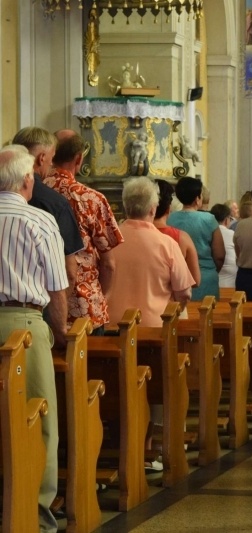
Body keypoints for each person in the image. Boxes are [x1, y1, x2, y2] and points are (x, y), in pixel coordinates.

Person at [0, 145, 69, 533]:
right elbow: (58, 288)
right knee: (39, 417)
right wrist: (60, 333)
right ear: (28, 180)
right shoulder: (39, 220)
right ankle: (37, 515)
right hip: (24, 323)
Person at [45, 130, 123, 332]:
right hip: (84, 306)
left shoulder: (34, 192)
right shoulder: (90, 198)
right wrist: (102, 299)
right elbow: (109, 264)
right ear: (79, 158)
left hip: (43, 305)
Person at [107, 177, 194, 327]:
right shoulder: (167, 244)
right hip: (155, 328)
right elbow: (184, 293)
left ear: (125, 206)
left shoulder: (107, 241)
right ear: (153, 209)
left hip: (112, 327)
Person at [12, 127, 83, 288]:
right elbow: (70, 272)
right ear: (42, 158)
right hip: (37, 304)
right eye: (51, 158)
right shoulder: (55, 203)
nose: (52, 164)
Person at [168, 177, 225, 300]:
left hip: (179, 278)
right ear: (197, 198)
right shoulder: (209, 220)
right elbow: (219, 255)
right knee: (209, 315)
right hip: (206, 277)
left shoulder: (169, 219)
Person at [153, 179, 201, 288]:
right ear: (168, 209)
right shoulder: (182, 238)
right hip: (170, 302)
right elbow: (195, 280)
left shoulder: (129, 235)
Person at [209, 203, 238, 289]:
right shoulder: (232, 234)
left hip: (211, 279)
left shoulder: (207, 233)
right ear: (226, 220)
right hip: (230, 281)